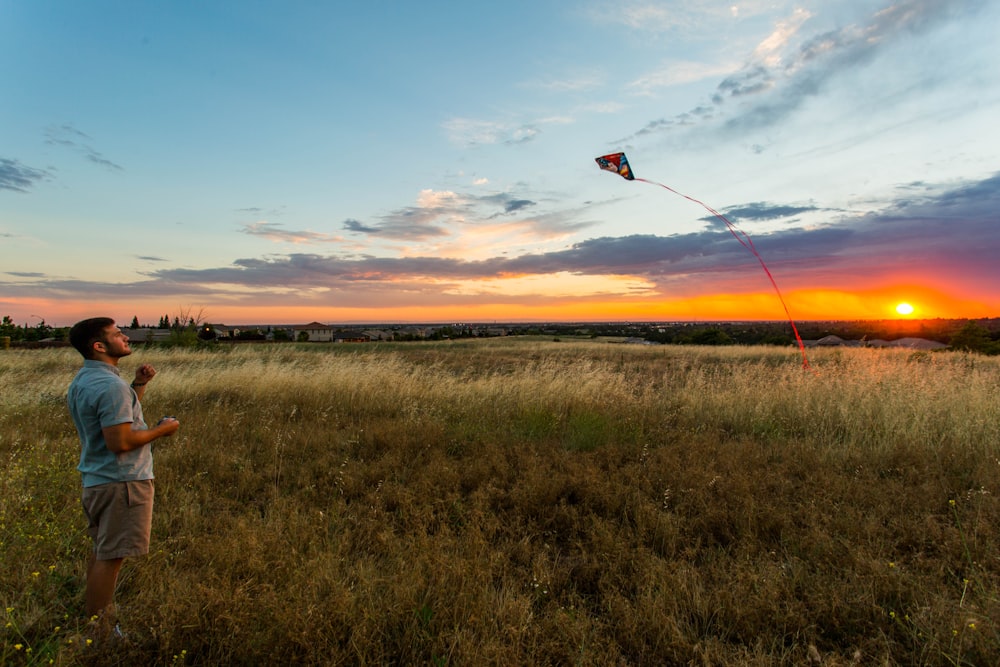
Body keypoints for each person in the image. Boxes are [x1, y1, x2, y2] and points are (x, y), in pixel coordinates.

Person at [67, 317, 180, 636]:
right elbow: (121, 441)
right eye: (118, 334)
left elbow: (119, 420)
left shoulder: (87, 380)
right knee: (111, 557)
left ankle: (96, 616)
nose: (126, 337)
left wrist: (139, 385)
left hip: (99, 478)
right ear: (99, 346)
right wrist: (162, 430)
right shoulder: (110, 386)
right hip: (122, 481)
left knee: (102, 551)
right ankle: (101, 631)